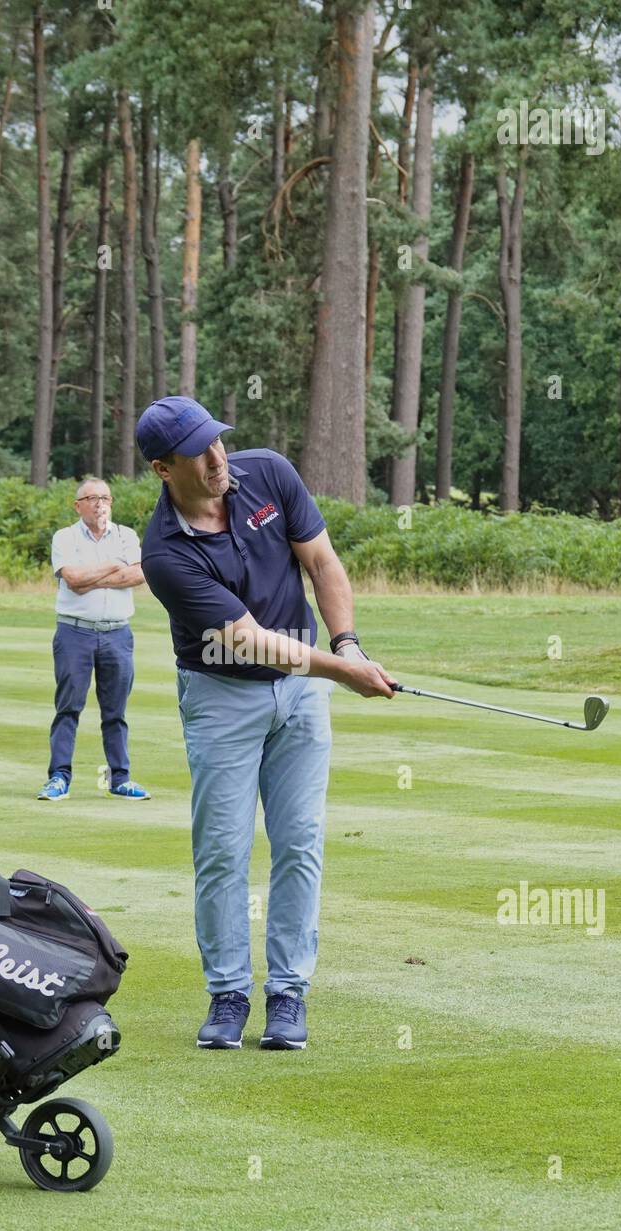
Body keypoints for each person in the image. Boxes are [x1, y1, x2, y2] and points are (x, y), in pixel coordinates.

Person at [136, 396, 396, 1050]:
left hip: (303, 694)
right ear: (165, 469)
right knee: (223, 850)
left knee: (300, 841)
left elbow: (323, 562)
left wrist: (349, 647)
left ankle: (288, 994)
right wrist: (343, 675)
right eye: (199, 452)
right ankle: (227, 994)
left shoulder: (270, 473)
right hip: (223, 696)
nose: (218, 458)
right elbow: (249, 642)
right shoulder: (165, 554)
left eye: (218, 441)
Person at [38, 476, 150, 802]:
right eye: (92, 498)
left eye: (105, 497)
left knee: (115, 711)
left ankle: (120, 778)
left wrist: (94, 575)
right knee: (68, 707)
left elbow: (138, 573)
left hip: (117, 632)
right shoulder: (66, 537)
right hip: (75, 632)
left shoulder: (126, 535)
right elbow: (73, 579)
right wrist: (114, 565)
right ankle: (59, 777)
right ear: (78, 505)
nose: (100, 503)